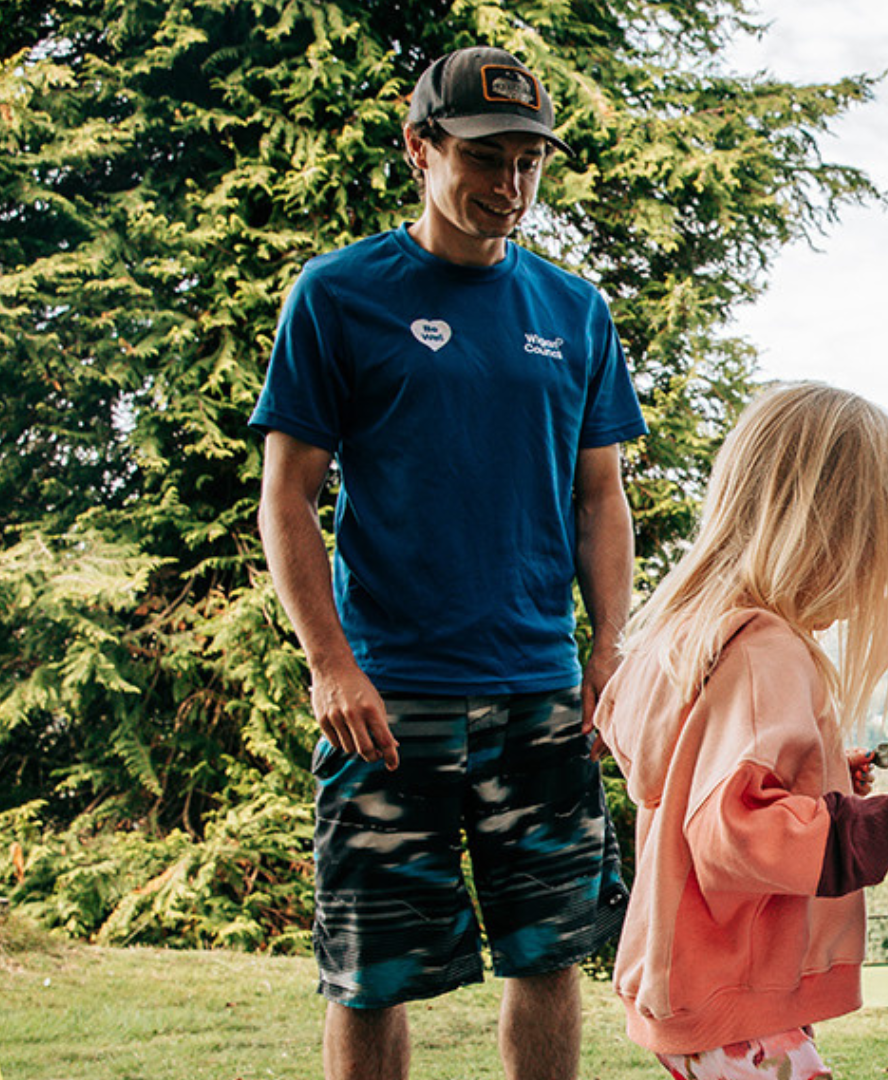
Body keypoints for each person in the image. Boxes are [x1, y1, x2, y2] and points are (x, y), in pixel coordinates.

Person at [252, 46, 644, 1080]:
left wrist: (612, 647)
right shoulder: (338, 297)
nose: (509, 188)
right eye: (485, 158)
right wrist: (330, 661)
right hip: (390, 699)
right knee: (371, 973)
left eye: (528, 162)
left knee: (549, 956)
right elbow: (287, 495)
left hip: (540, 694)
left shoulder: (576, 313)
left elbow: (600, 497)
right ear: (419, 147)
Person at [594, 382, 888, 1080]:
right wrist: (877, 828)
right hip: (739, 987)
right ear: (831, 536)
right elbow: (730, 827)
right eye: (872, 555)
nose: (863, 592)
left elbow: (696, 777)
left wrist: (818, 781)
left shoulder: (692, 636)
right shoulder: (765, 650)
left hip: (693, 979)